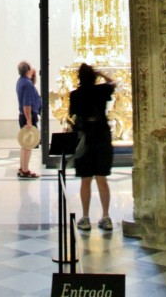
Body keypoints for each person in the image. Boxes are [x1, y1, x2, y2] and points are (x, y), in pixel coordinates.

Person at [68, 63, 117, 231]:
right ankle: (106, 216)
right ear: (94, 76)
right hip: (102, 137)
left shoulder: (75, 94)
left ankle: (86, 217)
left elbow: (72, 114)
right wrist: (102, 74)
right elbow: (113, 83)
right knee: (102, 178)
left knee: (86, 180)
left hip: (85, 138)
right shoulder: (102, 90)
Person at [16, 60, 39, 179]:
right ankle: (25, 170)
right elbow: (26, 105)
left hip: (23, 116)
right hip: (27, 117)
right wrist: (29, 120)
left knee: (25, 144)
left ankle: (22, 167)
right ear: (28, 70)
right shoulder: (28, 84)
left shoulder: (21, 81)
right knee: (28, 145)